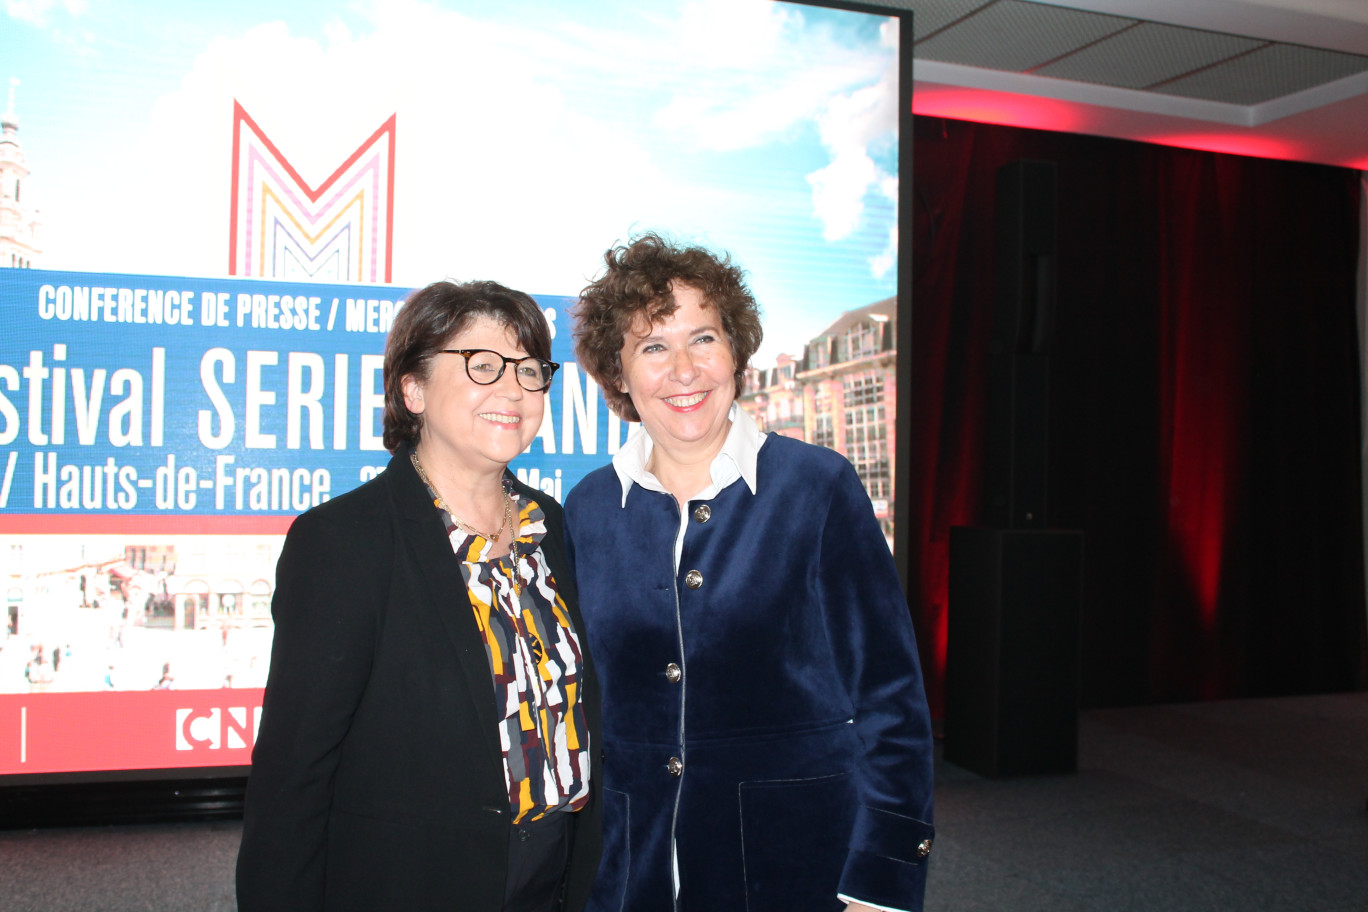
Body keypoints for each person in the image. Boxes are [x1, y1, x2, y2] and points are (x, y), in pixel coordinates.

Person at [565, 234, 934, 912]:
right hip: (627, 874)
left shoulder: (818, 488)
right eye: (653, 346)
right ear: (618, 375)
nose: (684, 370)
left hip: (792, 869)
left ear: (735, 350)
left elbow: (890, 698)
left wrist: (880, 878)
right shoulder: (587, 508)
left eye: (703, 338)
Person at [236, 280, 602, 912]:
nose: (512, 390)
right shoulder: (344, 541)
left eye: (529, 370)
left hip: (558, 880)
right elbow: (292, 781)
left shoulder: (556, 528)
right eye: (482, 366)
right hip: (414, 885)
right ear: (412, 389)